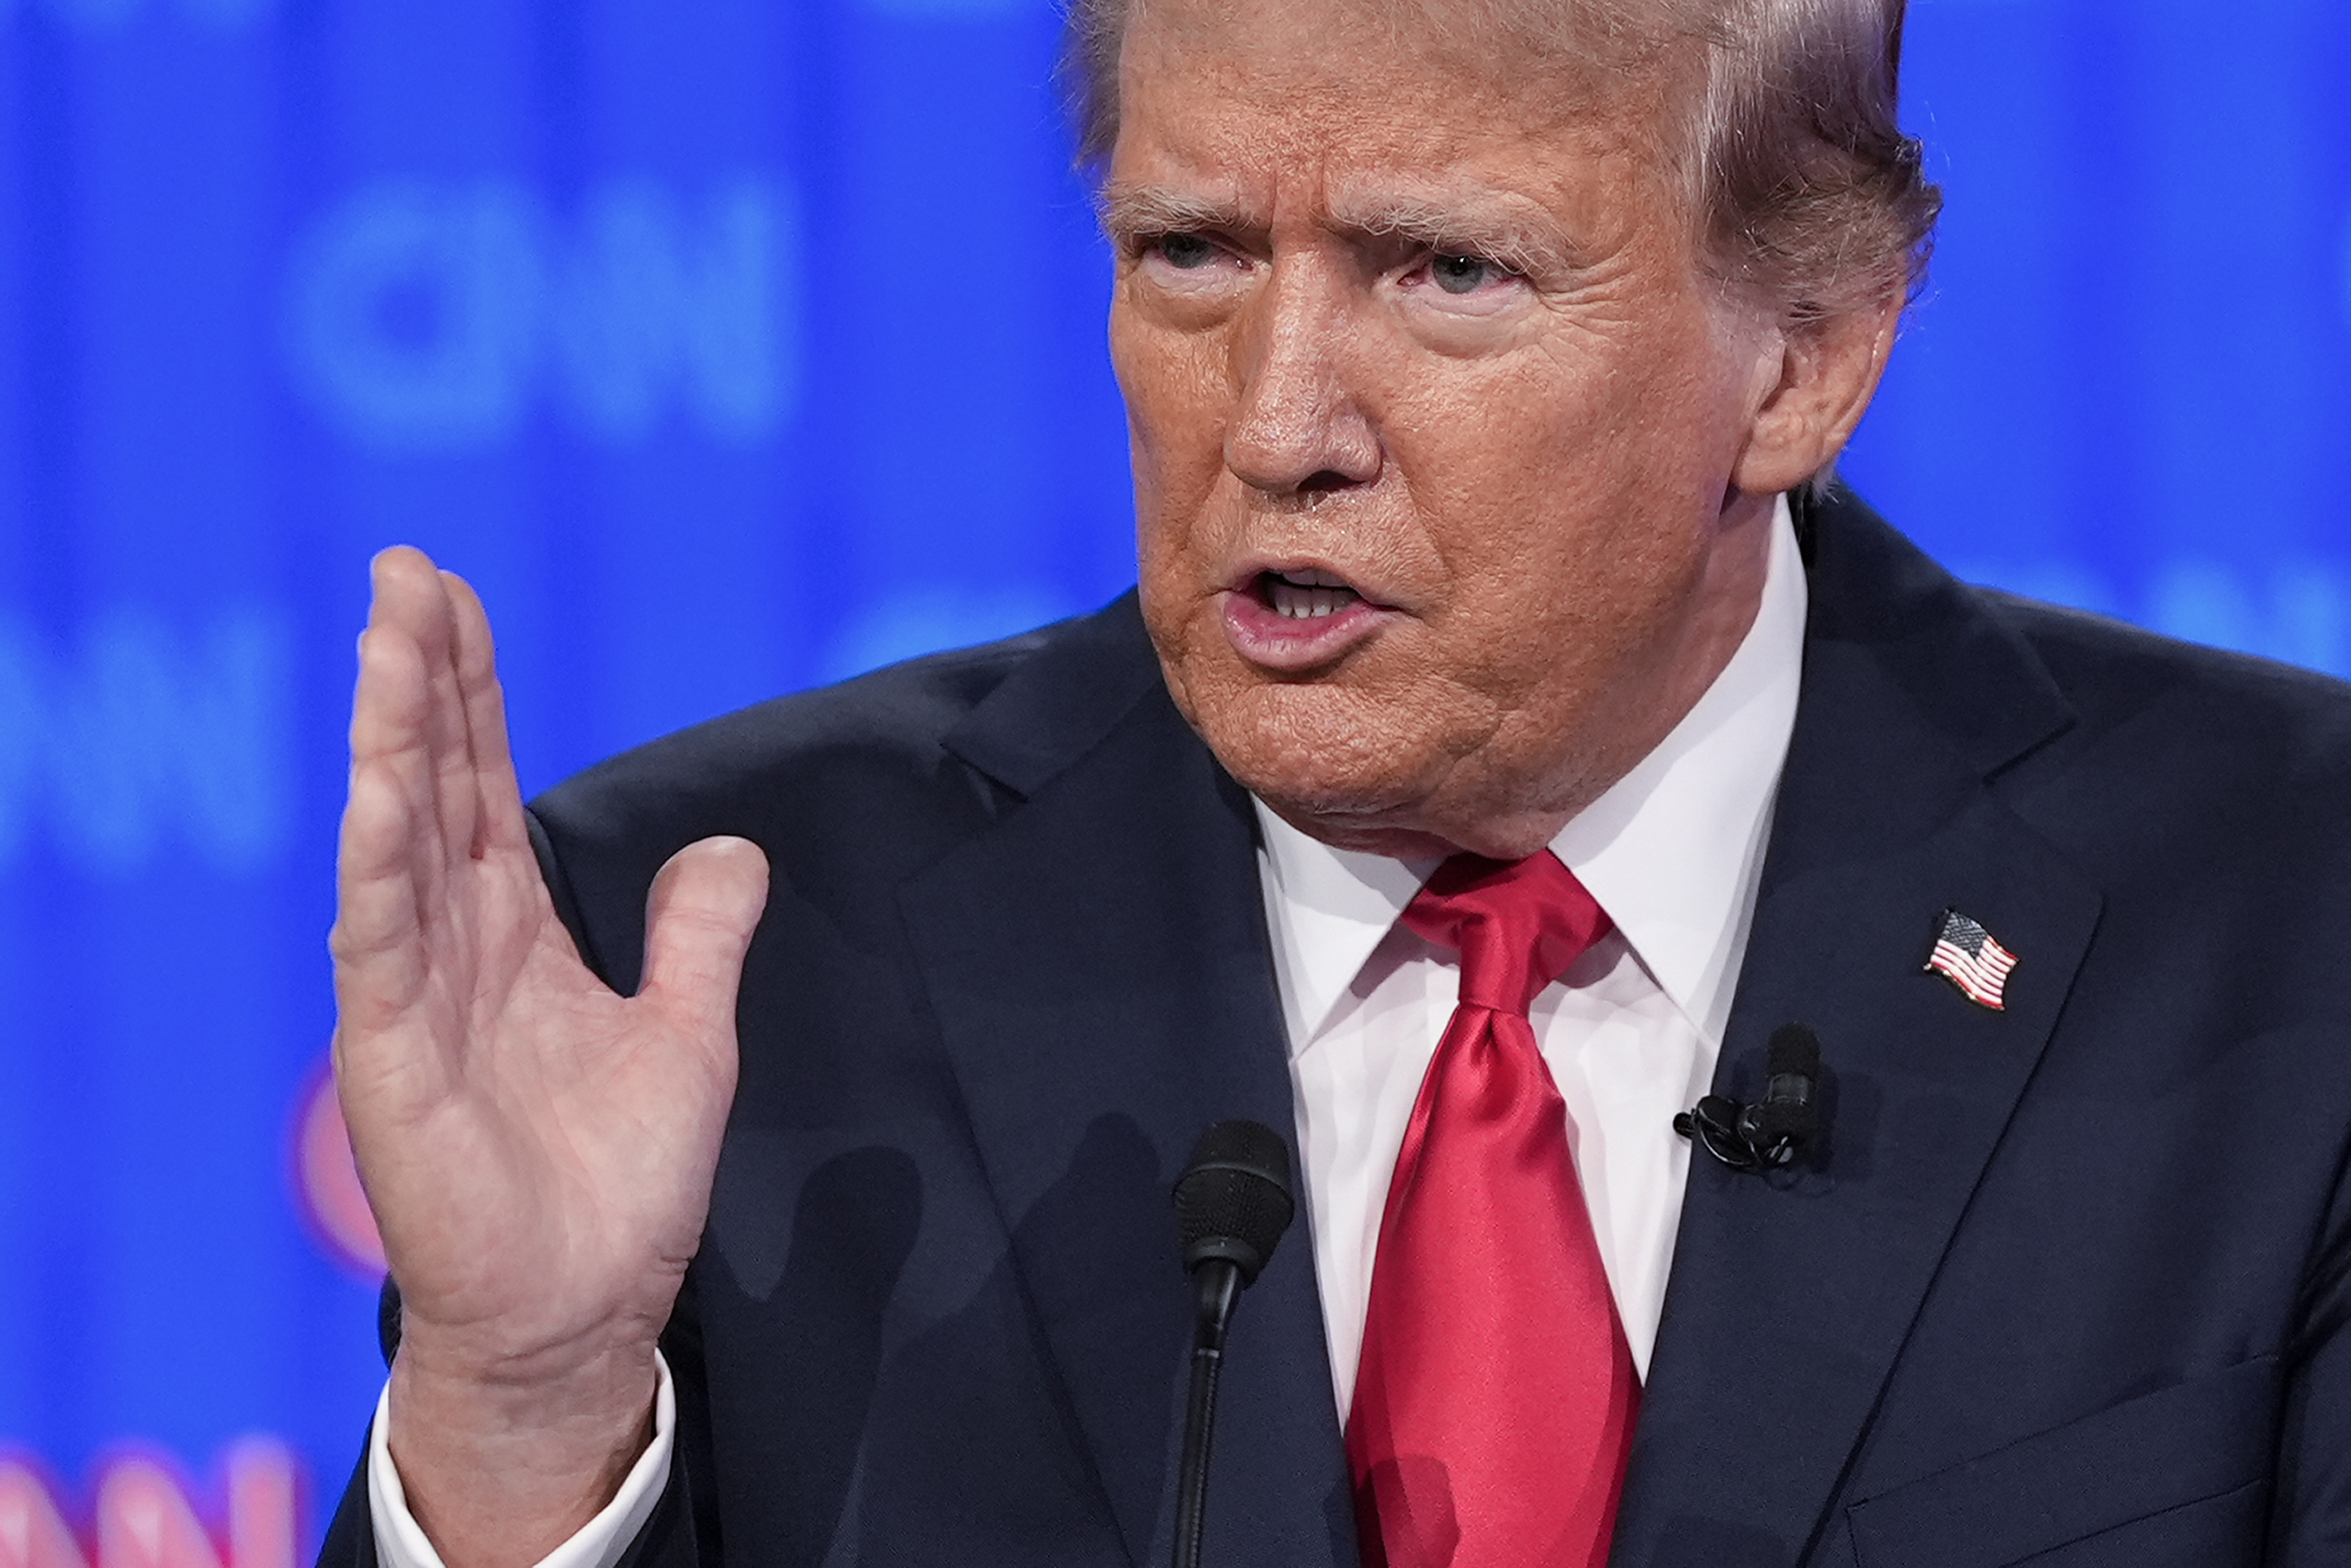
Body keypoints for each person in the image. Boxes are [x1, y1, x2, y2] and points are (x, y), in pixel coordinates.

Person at [317, 0, 2351, 1564]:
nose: (1277, 423)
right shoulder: (723, 969)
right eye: (1192, 252)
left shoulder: (2288, 916)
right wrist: (518, 1411)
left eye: (1446, 273)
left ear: (1803, 357)